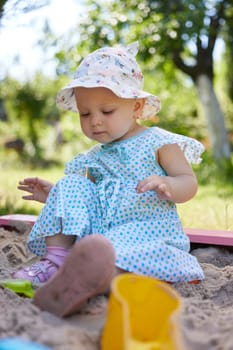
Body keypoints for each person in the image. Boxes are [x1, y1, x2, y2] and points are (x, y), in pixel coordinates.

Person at [13, 42, 205, 317]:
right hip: (100, 235)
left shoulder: (160, 143)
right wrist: (56, 194)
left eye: (107, 111)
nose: (95, 122)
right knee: (72, 184)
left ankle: (84, 283)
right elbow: (87, 195)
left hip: (143, 232)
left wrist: (171, 185)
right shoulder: (93, 156)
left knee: (117, 258)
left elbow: (189, 181)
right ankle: (57, 261)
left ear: (136, 107)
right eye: (85, 113)